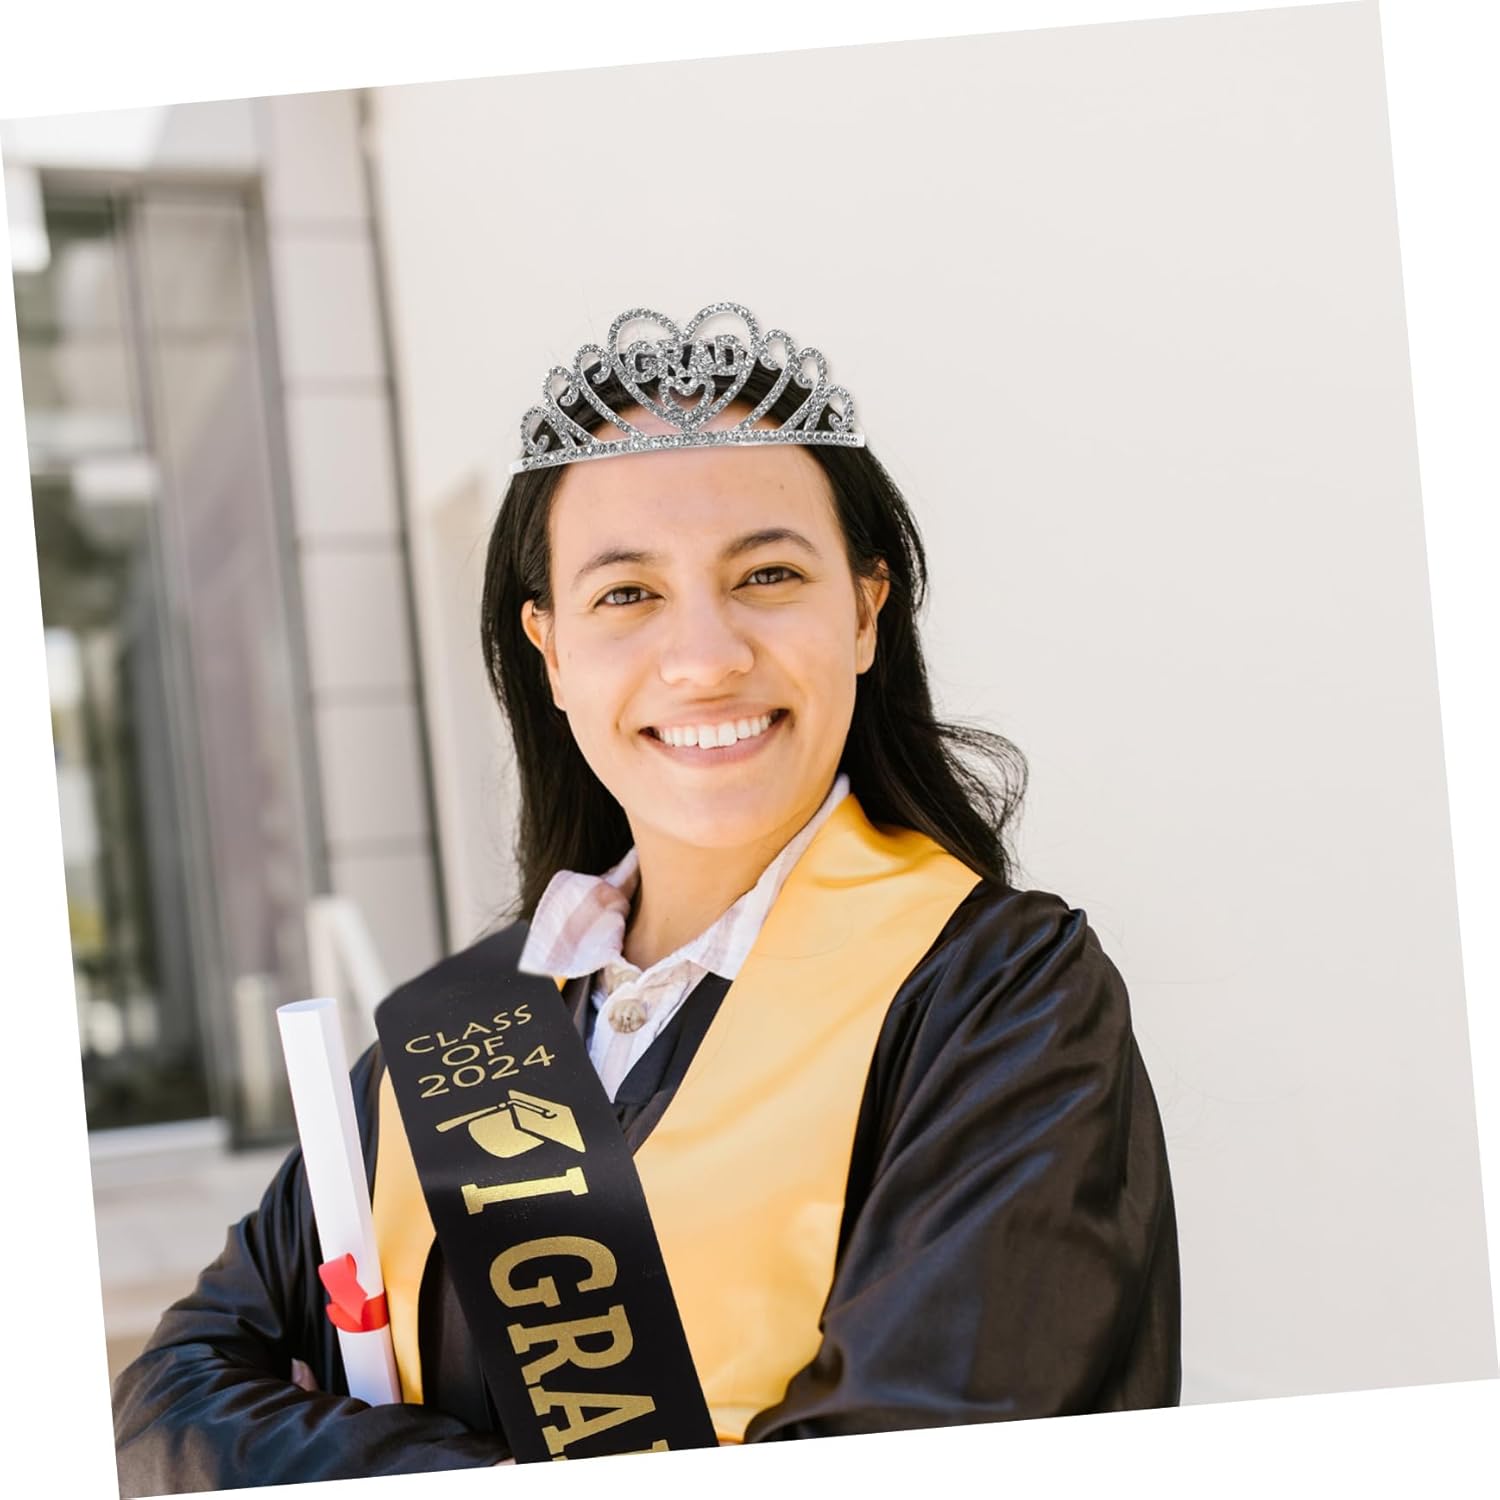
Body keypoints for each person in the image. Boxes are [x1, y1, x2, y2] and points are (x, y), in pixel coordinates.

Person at [112, 303, 1180, 1494]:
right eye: (627, 594)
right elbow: (172, 1399)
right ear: (551, 651)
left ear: (865, 613)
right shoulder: (461, 1028)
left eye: (768, 574)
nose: (706, 657)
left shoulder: (1001, 1002)